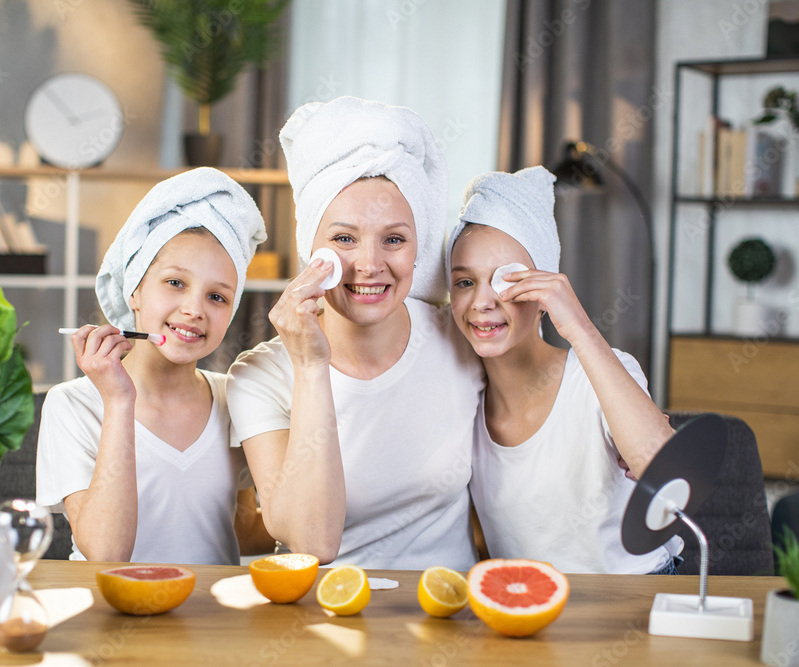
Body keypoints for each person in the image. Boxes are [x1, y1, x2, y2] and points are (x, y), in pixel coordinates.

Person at [226, 97, 484, 570]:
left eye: (394, 239)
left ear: (417, 248)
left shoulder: (463, 340)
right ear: (311, 250)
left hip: (447, 615)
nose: (369, 264)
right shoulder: (260, 376)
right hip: (326, 616)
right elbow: (310, 542)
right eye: (344, 239)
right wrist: (309, 365)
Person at [446, 167, 682, 574]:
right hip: (533, 606)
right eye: (465, 283)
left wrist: (576, 325)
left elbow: (670, 484)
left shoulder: (600, 375)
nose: (482, 301)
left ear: (543, 291)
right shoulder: (464, 401)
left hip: (637, 595)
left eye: (506, 281)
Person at [36, 168, 274, 564]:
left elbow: (242, 530)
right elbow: (106, 552)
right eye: (175, 283)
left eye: (217, 297)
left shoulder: (236, 398)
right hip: (111, 619)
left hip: (212, 621)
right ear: (134, 291)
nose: (194, 309)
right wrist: (118, 402)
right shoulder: (72, 405)